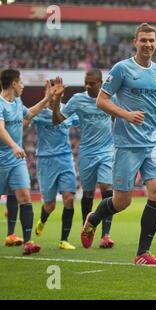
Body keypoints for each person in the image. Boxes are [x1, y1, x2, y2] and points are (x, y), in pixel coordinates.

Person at [80, 23, 156, 265]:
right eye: (144, 40)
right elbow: (101, 101)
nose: (148, 44)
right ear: (135, 42)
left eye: (152, 40)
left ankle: (142, 253)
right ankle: (94, 218)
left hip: (153, 142)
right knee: (122, 202)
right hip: (127, 144)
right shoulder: (121, 69)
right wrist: (125, 115)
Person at [52, 70, 116, 248]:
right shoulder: (77, 100)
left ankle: (106, 235)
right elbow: (57, 120)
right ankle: (87, 228)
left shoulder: (110, 98)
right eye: (86, 82)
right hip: (87, 152)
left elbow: (116, 118)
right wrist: (57, 98)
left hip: (106, 151)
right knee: (88, 193)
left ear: (101, 83)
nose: (88, 86)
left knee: (106, 188)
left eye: (92, 83)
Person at [0, 68, 54, 254]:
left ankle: (28, 242)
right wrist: (14, 146)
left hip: (16, 160)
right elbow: (0, 129)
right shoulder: (0, 104)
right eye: (21, 82)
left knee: (25, 196)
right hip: (3, 158)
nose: (22, 85)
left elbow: (29, 114)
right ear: (13, 83)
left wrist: (47, 99)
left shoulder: (17, 102)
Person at [24, 78, 78, 250]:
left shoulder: (69, 112)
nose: (55, 95)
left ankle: (64, 240)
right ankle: (43, 220)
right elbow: (25, 122)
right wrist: (48, 99)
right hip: (46, 161)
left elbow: (72, 119)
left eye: (57, 92)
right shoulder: (39, 113)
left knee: (69, 198)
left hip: (65, 158)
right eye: (51, 92)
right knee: (50, 205)